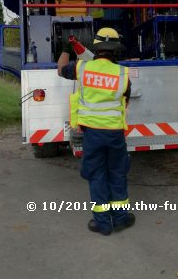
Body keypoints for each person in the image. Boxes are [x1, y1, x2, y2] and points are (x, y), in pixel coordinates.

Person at [57, 27, 135, 235]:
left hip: (92, 134)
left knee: (97, 174)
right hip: (115, 134)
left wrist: (66, 47)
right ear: (115, 50)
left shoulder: (82, 68)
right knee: (117, 173)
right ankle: (120, 219)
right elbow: (125, 102)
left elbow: (60, 68)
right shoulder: (122, 74)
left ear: (96, 47)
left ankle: (102, 223)